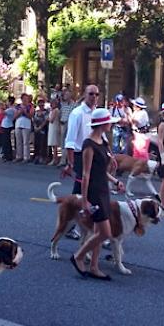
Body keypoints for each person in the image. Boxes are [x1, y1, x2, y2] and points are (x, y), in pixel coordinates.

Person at [70, 108, 125, 281]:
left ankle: (94, 266)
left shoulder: (103, 141)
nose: (111, 125)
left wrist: (115, 181)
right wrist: (85, 201)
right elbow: (86, 174)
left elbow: (101, 171)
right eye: (109, 122)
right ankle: (79, 255)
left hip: (103, 189)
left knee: (97, 231)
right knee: (105, 233)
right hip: (94, 192)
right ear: (102, 124)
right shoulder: (89, 144)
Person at [62, 85, 100, 240]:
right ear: (84, 95)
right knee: (79, 192)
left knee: (90, 192)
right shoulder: (77, 113)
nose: (94, 97)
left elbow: (99, 134)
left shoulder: (96, 112)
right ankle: (71, 226)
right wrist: (70, 163)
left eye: (97, 94)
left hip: (94, 154)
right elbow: (70, 141)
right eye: (91, 94)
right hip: (80, 155)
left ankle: (91, 226)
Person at [59, 89, 77, 166]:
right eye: (65, 95)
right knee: (62, 143)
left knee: (69, 143)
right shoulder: (63, 104)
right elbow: (61, 113)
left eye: (67, 95)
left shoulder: (74, 105)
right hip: (62, 123)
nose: (65, 96)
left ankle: (67, 161)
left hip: (69, 124)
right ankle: (63, 160)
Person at [14, 93, 34, 163]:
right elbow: (15, 116)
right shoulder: (18, 106)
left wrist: (25, 112)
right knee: (18, 141)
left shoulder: (30, 106)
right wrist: (20, 112)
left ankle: (26, 157)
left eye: (26, 99)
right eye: (24, 99)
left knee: (26, 142)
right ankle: (19, 156)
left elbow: (31, 116)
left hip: (26, 125)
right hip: (18, 124)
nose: (25, 100)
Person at [32, 97, 49, 164]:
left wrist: (40, 127)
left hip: (43, 129)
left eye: (42, 104)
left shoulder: (46, 112)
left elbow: (45, 120)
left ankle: (43, 157)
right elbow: (33, 120)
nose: (41, 106)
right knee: (36, 143)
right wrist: (35, 127)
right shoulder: (36, 112)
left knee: (43, 143)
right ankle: (37, 156)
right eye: (40, 104)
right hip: (36, 129)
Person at [47, 98, 61, 165]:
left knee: (54, 144)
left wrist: (48, 118)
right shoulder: (52, 110)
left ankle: (55, 159)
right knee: (53, 144)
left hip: (54, 127)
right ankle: (55, 158)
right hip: (52, 127)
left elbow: (51, 120)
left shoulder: (55, 110)